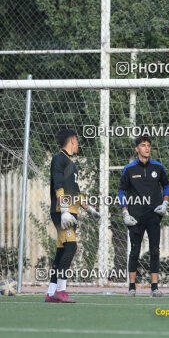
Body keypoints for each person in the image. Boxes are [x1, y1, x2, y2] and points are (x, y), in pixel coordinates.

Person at [46, 129, 100, 303]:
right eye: (77, 141)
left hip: (72, 212)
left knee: (62, 251)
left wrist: (89, 208)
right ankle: (61, 291)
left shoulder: (72, 163)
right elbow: (58, 184)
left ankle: (51, 292)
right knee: (71, 247)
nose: (79, 144)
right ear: (72, 141)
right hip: (63, 212)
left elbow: (75, 191)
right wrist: (64, 210)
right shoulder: (58, 159)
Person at [118, 135, 169, 297]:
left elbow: (166, 185)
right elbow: (121, 191)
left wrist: (165, 203)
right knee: (134, 251)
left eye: (148, 145)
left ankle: (154, 287)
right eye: (143, 145)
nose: (146, 148)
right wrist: (125, 212)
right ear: (137, 149)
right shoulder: (129, 169)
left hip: (154, 216)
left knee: (155, 250)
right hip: (135, 217)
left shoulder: (158, 167)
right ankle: (132, 288)